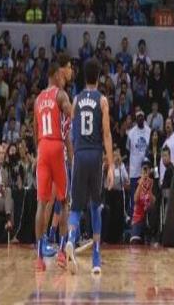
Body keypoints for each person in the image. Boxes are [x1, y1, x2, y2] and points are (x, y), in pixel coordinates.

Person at [66, 58, 114, 275]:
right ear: (99, 77)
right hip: (95, 155)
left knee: (76, 207)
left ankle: (70, 239)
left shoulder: (76, 100)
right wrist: (110, 165)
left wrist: (73, 156)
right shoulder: (102, 100)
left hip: (79, 153)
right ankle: (96, 256)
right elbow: (107, 134)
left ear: (84, 77)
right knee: (95, 205)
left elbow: (71, 132)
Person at [33, 60, 72, 271]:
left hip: (42, 148)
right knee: (64, 201)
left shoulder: (38, 99)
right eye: (62, 75)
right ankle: (62, 253)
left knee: (41, 203)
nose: (64, 78)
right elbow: (71, 112)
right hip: (57, 146)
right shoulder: (60, 94)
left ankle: (39, 258)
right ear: (56, 74)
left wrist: (40, 151)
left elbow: (35, 131)